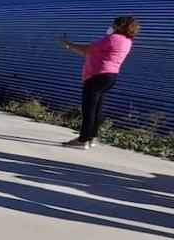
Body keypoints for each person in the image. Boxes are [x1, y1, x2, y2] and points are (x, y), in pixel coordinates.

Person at [60, 16, 140, 149]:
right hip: (110, 76)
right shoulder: (127, 41)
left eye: (114, 24)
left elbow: (87, 49)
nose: (112, 26)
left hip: (97, 75)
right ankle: (91, 138)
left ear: (120, 26)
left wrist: (69, 44)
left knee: (88, 109)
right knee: (97, 108)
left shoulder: (113, 39)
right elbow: (98, 52)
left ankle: (82, 140)